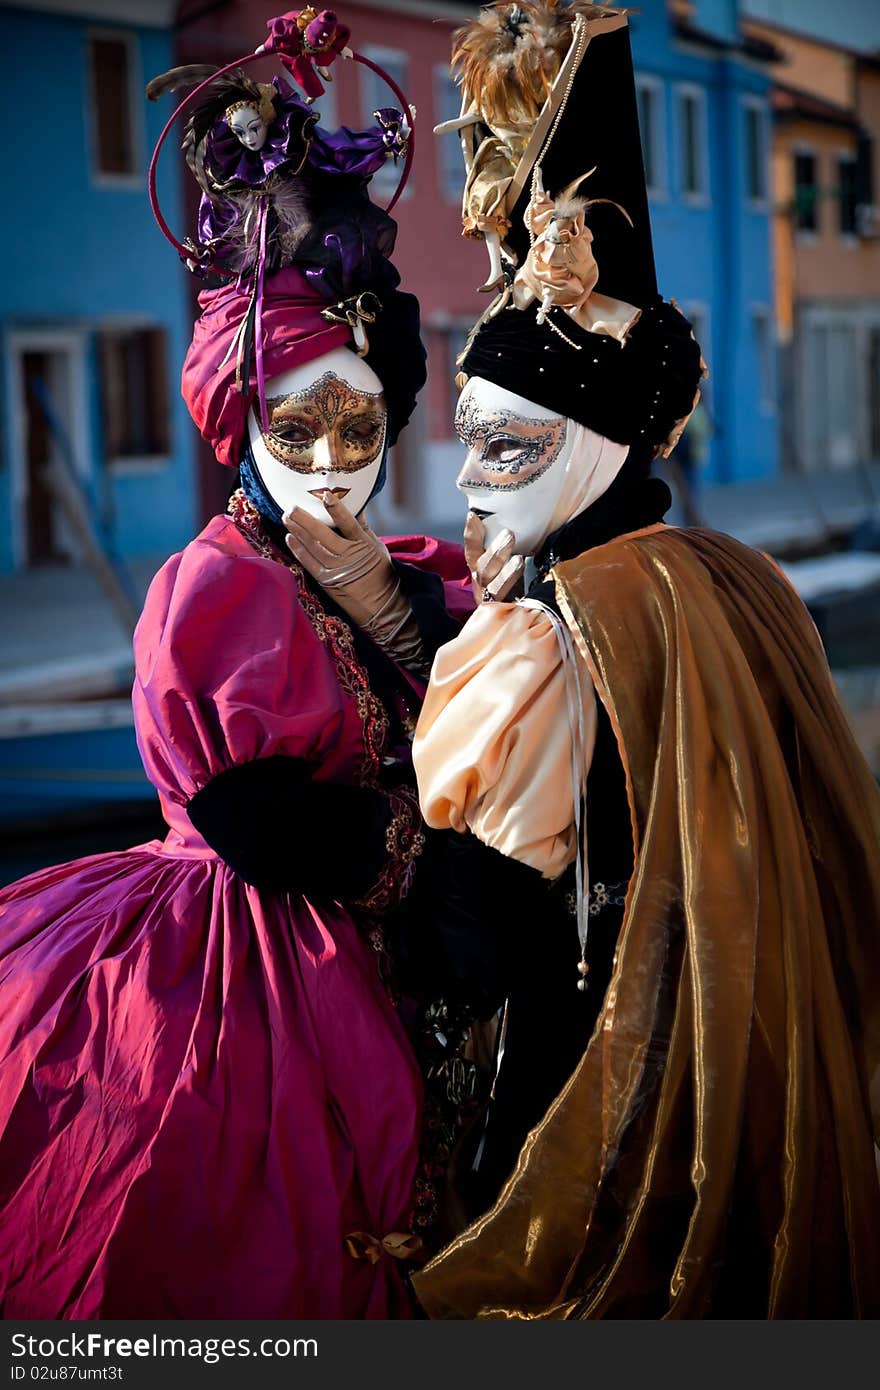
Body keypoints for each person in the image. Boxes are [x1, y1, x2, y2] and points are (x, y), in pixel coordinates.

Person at [410, 1, 880, 1319]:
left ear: (602, 444)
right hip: (752, 1072)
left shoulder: (544, 642)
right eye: (470, 442)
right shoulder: (733, 578)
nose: (470, 491)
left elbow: (469, 947)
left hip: (595, 1114)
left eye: (507, 451)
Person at [0, 22, 472, 1318]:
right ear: (239, 427)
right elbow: (255, 821)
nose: (331, 459)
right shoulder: (215, 593)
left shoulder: (411, 571)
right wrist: (419, 858)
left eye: (358, 422)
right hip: (252, 981)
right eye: (294, 424)